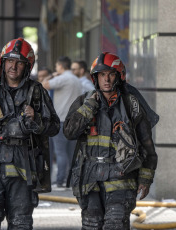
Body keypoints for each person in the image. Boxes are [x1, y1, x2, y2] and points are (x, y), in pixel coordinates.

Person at [0, 37, 60, 229]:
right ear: (3, 62)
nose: (13, 67)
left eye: (19, 63)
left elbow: (55, 127)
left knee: (21, 223)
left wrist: (36, 119)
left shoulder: (36, 91)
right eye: (9, 61)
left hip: (23, 168)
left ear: (27, 66)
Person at [63, 52, 158, 229]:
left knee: (115, 224)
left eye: (111, 74)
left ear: (119, 76)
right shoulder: (84, 101)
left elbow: (147, 146)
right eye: (101, 75)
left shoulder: (131, 105)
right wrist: (89, 108)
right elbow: (69, 132)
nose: (106, 79)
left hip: (121, 178)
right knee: (91, 225)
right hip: (90, 180)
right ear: (95, 77)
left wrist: (146, 179)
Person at [42, 56, 82, 188]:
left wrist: (51, 75)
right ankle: (71, 181)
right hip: (74, 121)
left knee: (60, 152)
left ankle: (60, 181)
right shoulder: (76, 79)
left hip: (61, 120)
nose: (55, 69)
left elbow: (44, 85)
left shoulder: (63, 78)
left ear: (60, 66)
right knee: (71, 153)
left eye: (56, 67)